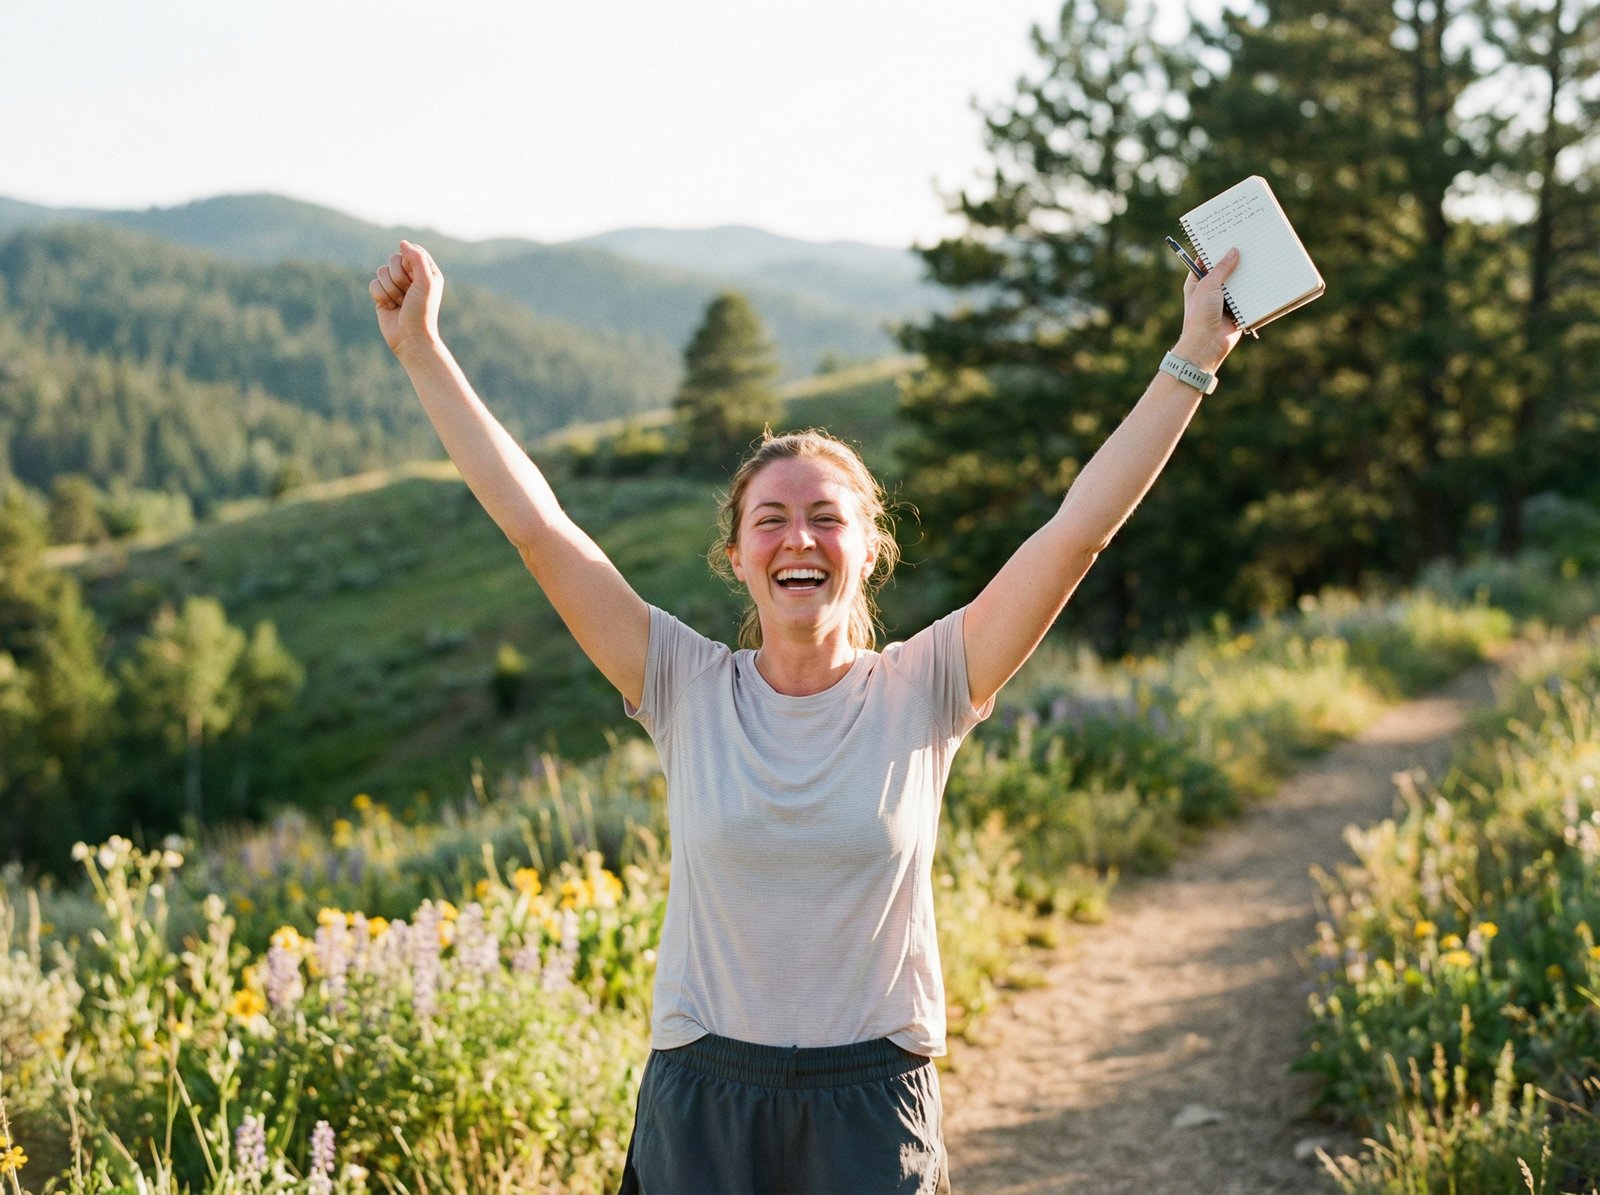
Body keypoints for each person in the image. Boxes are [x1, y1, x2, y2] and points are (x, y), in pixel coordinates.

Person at [370, 238, 1242, 1194]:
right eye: (771, 519)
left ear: (869, 549)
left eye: (826, 516)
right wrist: (422, 350)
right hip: (703, 1099)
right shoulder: (683, 684)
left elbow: (1079, 532)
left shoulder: (930, 683)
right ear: (738, 556)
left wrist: (1191, 359)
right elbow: (540, 530)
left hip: (870, 1105)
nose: (799, 537)